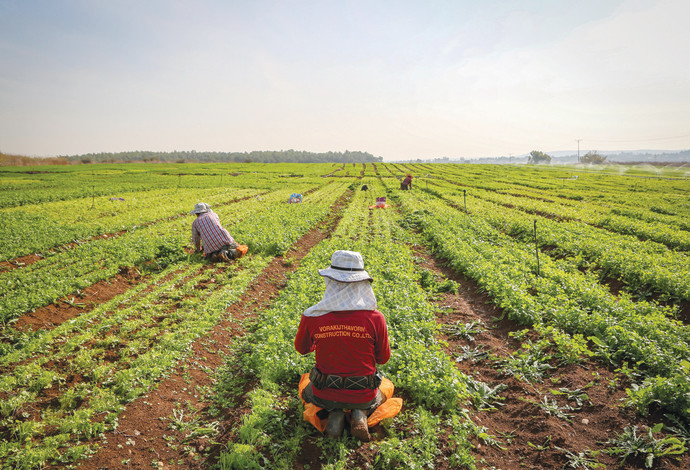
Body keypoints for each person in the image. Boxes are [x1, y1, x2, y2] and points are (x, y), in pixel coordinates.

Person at [295, 250, 390, 441]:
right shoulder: (375, 318)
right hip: (364, 393)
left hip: (324, 392)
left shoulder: (313, 316)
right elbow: (382, 358)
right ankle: (360, 413)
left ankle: (334, 414)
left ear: (330, 281)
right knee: (386, 386)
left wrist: (324, 340)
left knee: (306, 381)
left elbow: (302, 348)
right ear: (362, 283)